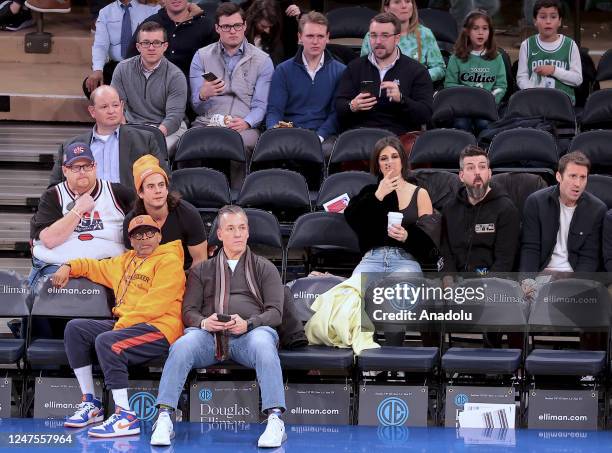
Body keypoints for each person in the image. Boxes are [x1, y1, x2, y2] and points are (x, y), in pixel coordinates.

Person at [150, 205, 286, 448]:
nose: (237, 234)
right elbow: (188, 311)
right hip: (209, 337)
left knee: (265, 343)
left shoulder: (264, 267)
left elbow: (275, 313)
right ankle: (164, 417)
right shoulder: (203, 269)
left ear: (248, 232)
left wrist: (249, 324)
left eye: (242, 228)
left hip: (250, 335)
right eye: (231, 228)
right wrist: (204, 322)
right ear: (220, 234)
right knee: (182, 345)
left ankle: (275, 420)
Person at [53, 214, 185, 438]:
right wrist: (69, 265)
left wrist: (120, 328)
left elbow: (155, 305)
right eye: (138, 235)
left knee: (108, 342)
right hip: (127, 326)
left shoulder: (169, 261)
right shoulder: (124, 261)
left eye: (149, 233)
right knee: (76, 329)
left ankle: (126, 416)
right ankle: (90, 403)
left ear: (159, 236)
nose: (144, 239)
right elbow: (92, 266)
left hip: (159, 328)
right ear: (130, 240)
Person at [189, 2, 274, 185]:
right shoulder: (201, 56)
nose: (232, 31)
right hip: (208, 121)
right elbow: (196, 106)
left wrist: (247, 122)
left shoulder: (262, 61)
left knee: (243, 144)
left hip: (243, 123)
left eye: (237, 26)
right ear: (217, 28)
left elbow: (261, 105)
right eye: (226, 26)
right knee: (189, 141)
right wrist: (202, 94)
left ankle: (239, 199)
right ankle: (193, 196)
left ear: (244, 26)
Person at [30, 142, 133, 288]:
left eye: (87, 166)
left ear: (95, 167)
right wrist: (78, 210)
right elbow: (49, 240)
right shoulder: (53, 196)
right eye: (76, 167)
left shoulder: (117, 193)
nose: (82, 171)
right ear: (65, 171)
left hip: (107, 268)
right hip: (57, 266)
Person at [49, 85, 167, 192]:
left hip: (130, 211)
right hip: (86, 211)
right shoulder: (70, 147)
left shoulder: (144, 141)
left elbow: (165, 180)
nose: (111, 111)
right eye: (104, 107)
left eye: (115, 105)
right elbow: (54, 190)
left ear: (121, 106)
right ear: (92, 111)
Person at [344, 135, 433, 275]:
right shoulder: (369, 192)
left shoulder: (420, 193)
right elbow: (353, 219)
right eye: (383, 158)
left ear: (403, 160)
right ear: (378, 165)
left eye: (394, 156)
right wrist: (378, 195)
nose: (389, 162)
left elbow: (431, 243)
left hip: (406, 260)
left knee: (399, 292)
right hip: (372, 259)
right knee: (355, 292)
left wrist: (407, 236)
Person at [336, 12, 433, 136]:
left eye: (385, 36)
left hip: (399, 137)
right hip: (361, 135)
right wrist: (352, 105)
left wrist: (402, 100)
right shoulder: (354, 67)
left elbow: (425, 115)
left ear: (397, 38)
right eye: (373, 35)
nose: (378, 41)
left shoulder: (417, 71)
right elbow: (339, 106)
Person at [265, 11, 345, 159]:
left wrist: (319, 137)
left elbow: (336, 114)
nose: (315, 41)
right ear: (300, 37)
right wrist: (275, 131)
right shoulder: (283, 70)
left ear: (327, 38)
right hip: (289, 132)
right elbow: (274, 110)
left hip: (323, 136)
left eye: (320, 36)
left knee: (327, 152)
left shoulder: (340, 71)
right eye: (310, 36)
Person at [520, 151, 606, 275]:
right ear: (559, 177)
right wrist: (528, 281)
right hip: (543, 273)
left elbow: (589, 257)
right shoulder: (536, 202)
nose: (578, 184)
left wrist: (577, 286)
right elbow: (530, 248)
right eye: (572, 176)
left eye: (583, 177)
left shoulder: (597, 209)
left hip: (574, 276)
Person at [111, 20, 188, 156]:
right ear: (138, 46)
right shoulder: (122, 69)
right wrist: (124, 131)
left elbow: (174, 117)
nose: (151, 48)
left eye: (157, 43)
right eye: (146, 43)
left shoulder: (176, 76)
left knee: (151, 152)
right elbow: (116, 106)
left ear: (165, 46)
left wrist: (153, 135)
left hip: (166, 128)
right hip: (133, 126)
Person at [441, 145, 519, 273]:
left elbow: (505, 261)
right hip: (457, 281)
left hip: (492, 281)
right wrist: (448, 279)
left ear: (489, 173)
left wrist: (485, 286)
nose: (477, 172)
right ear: (461, 176)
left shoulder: (506, 209)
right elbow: (445, 252)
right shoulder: (449, 208)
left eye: (482, 167)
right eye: (470, 168)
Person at [123, 155, 208, 269]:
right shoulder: (131, 222)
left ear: (167, 189)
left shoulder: (188, 214)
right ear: (140, 193)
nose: (158, 191)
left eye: (161, 185)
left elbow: (200, 260)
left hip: (185, 277)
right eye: (151, 186)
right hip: (148, 279)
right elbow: (131, 263)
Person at [444, 9, 507, 136]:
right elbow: (449, 84)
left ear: (490, 32)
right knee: (461, 125)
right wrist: (469, 97)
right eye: (475, 28)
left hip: (486, 107)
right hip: (462, 107)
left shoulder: (497, 57)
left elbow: (501, 85)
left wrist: (490, 100)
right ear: (467, 31)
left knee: (484, 124)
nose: (480, 33)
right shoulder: (456, 57)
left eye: (485, 28)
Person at [82, 0, 161, 98]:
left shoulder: (152, 9)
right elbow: (100, 45)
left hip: (143, 66)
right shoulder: (105, 12)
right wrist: (98, 70)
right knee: (91, 86)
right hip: (116, 67)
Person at [126, 0, 217, 79]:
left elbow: (215, 64)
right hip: (155, 91)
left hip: (194, 93)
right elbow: (130, 62)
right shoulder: (149, 24)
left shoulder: (206, 26)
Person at [361, 0, 445, 84]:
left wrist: (416, 77)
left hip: (415, 91)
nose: (404, 6)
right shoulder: (372, 36)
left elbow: (440, 68)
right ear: (386, 8)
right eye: (397, 2)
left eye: (408, 1)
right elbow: (363, 69)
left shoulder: (425, 34)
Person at [516, 0, 582, 105]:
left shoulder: (570, 45)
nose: (548, 21)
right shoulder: (527, 45)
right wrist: (533, 92)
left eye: (553, 17)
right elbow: (521, 78)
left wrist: (553, 70)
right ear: (535, 21)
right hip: (535, 103)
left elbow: (577, 79)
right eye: (542, 17)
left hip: (563, 104)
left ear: (560, 21)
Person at [242, 0, 300, 65]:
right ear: (254, 19)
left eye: (270, 26)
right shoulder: (241, 34)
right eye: (263, 26)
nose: (267, 31)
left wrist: (298, 17)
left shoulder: (275, 35)